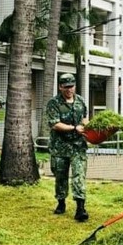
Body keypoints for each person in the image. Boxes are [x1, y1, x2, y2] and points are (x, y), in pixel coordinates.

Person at [45, 73, 89, 222]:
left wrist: (87, 126)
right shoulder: (53, 103)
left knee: (79, 175)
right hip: (60, 147)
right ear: (60, 87)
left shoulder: (81, 101)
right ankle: (61, 202)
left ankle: (80, 208)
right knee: (60, 177)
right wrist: (74, 128)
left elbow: (84, 118)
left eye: (71, 86)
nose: (69, 90)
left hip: (78, 146)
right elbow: (55, 124)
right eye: (66, 87)